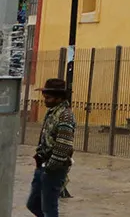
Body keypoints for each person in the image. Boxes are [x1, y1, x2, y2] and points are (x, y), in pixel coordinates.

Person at [27, 78, 75, 217]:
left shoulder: (65, 115)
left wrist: (50, 167)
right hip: (42, 164)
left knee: (49, 208)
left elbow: (63, 144)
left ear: (58, 98)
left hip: (53, 168)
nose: (45, 100)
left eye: (48, 97)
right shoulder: (52, 112)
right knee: (33, 204)